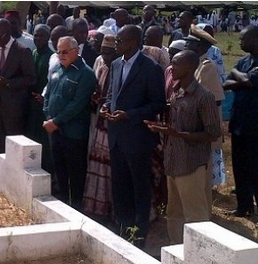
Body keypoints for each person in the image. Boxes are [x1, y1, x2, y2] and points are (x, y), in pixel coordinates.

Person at [145, 50, 221, 244]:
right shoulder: (176, 92)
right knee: (174, 213)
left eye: (176, 64)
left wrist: (181, 135)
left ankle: (200, 253)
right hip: (173, 162)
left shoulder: (204, 97)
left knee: (196, 216)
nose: (172, 67)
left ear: (189, 67)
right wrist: (162, 129)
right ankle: (177, 250)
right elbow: (174, 126)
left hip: (191, 165)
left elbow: (213, 133)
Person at [99, 25, 165, 248]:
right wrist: (106, 107)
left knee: (139, 186)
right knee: (120, 184)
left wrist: (130, 115)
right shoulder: (116, 64)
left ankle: (140, 231)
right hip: (116, 135)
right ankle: (124, 225)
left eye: (120, 41)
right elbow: (112, 94)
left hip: (137, 137)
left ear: (134, 42)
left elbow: (157, 104)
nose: (116, 45)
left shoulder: (150, 68)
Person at [43, 36, 97, 209]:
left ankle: (76, 206)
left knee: (75, 172)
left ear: (76, 51)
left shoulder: (85, 73)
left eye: (65, 52)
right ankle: (62, 204)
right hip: (54, 129)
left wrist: (56, 121)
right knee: (59, 169)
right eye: (58, 51)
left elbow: (78, 104)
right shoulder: (56, 69)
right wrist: (47, 116)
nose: (61, 55)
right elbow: (48, 94)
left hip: (74, 132)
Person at [184, 25, 225, 214]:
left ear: (200, 47)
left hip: (203, 133)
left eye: (189, 43)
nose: (185, 45)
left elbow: (214, 103)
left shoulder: (207, 68)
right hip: (192, 132)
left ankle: (204, 217)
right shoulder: (192, 65)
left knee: (203, 178)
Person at [223, 25, 258, 218]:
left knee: (256, 169)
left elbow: (250, 81)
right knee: (240, 167)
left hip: (255, 126)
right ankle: (244, 206)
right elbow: (227, 83)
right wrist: (242, 79)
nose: (240, 42)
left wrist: (242, 78)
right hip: (239, 125)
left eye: (243, 39)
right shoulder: (244, 61)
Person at [83, 34, 119, 220]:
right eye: (103, 52)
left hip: (114, 122)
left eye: (109, 53)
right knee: (96, 161)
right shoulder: (99, 62)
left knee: (112, 167)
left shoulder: (120, 65)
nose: (105, 56)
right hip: (98, 117)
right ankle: (97, 206)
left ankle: (113, 209)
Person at [0, 19, 36, 155]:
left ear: (7, 33)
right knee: (0, 145)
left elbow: (31, 78)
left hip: (15, 108)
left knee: (14, 145)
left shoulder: (22, 51)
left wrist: (7, 82)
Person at [27, 24, 54, 174]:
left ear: (48, 37)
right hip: (31, 103)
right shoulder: (33, 53)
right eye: (35, 35)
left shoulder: (52, 57)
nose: (37, 39)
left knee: (44, 140)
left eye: (41, 35)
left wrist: (44, 97)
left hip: (44, 105)